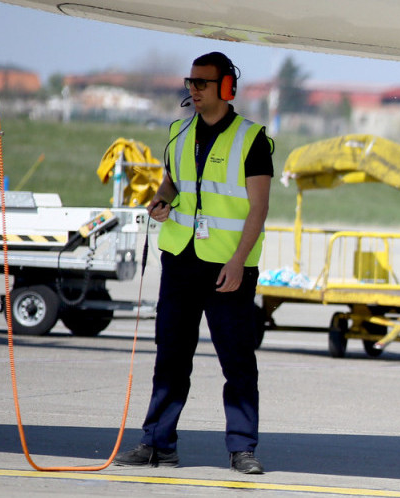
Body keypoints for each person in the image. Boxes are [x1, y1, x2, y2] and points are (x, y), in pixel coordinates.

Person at [114, 52, 273, 474]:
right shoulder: (179, 133)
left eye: (203, 83)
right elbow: (173, 181)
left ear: (226, 87)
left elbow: (258, 208)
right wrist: (162, 199)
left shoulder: (251, 138)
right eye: (191, 82)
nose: (194, 90)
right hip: (181, 261)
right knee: (170, 356)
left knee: (237, 361)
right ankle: (157, 444)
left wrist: (239, 262)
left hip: (227, 268)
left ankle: (243, 449)